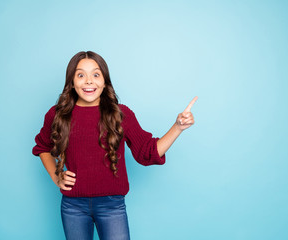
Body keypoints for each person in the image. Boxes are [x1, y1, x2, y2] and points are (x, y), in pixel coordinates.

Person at [32, 51, 197, 240]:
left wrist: (178, 127)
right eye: (80, 75)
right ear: (71, 81)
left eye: (95, 74)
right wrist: (56, 176)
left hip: (112, 206)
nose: (88, 81)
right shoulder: (56, 115)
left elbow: (147, 152)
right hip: (73, 206)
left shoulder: (121, 114)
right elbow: (42, 147)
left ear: (104, 81)